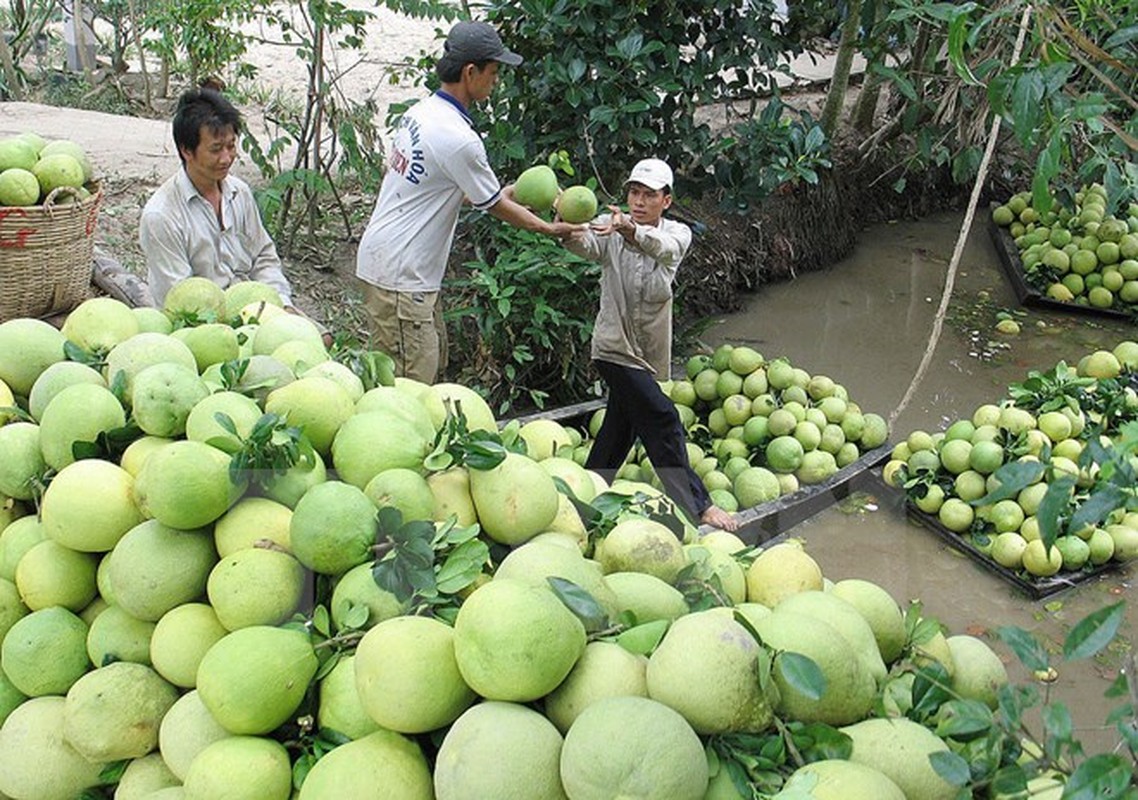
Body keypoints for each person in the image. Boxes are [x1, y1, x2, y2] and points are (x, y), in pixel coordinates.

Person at [355, 20, 584, 384]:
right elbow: (492, 205)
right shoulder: (458, 137)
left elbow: (434, 189)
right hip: (400, 275)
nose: (496, 81)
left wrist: (499, 194)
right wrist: (547, 228)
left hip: (395, 267)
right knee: (407, 387)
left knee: (428, 367)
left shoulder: (422, 113)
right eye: (493, 72)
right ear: (470, 72)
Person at [564, 158, 740, 533]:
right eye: (633, 193)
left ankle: (587, 495)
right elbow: (583, 243)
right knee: (662, 417)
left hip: (648, 352)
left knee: (620, 426)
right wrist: (563, 221)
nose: (639, 202)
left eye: (648, 195)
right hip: (613, 346)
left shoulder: (676, 234)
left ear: (667, 200)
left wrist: (630, 231)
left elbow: (663, 249)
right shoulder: (610, 231)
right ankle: (698, 505)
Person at [139, 85, 317, 331]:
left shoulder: (239, 193)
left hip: (256, 311)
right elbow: (181, 301)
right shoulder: (161, 216)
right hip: (202, 329)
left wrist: (282, 303)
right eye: (215, 149)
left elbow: (264, 257)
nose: (226, 158)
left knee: (321, 338)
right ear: (186, 150)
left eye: (231, 146)